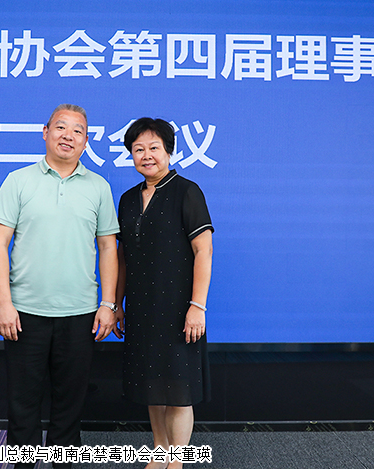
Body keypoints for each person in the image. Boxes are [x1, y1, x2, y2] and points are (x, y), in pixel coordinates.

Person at [0, 104, 119, 469]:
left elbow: (109, 247)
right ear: (45, 133)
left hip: (80, 313)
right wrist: (4, 303)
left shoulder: (99, 187)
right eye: (61, 127)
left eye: (78, 131)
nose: (68, 136)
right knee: (22, 403)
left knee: (70, 404)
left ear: (86, 141)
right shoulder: (18, 181)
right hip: (24, 312)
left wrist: (108, 303)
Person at [113, 117, 214, 469]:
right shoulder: (127, 199)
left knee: (178, 390)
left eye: (154, 148)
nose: (146, 155)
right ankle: (159, 451)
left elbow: (204, 251)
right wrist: (117, 304)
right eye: (138, 149)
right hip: (141, 308)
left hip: (178, 309)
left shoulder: (187, 191)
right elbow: (122, 258)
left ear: (168, 151)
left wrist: (197, 306)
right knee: (151, 386)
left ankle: (177, 461)